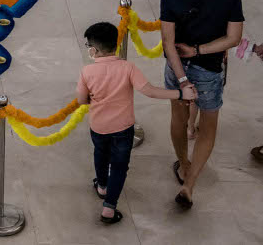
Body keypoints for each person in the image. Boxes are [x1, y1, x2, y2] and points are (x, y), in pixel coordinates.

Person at [76, 22, 194, 224]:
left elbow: (81, 100)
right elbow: (150, 91)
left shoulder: (87, 72)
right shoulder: (128, 67)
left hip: (99, 127)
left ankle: (102, 186)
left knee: (100, 155)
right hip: (123, 129)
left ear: (93, 50)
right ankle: (109, 208)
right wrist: (181, 92)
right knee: (120, 166)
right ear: (117, 45)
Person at [160, 0, 244, 210]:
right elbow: (233, 39)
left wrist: (183, 79)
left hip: (178, 70)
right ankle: (190, 183)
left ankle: (183, 164)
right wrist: (198, 50)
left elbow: (169, 46)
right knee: (208, 126)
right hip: (209, 70)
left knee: (178, 116)